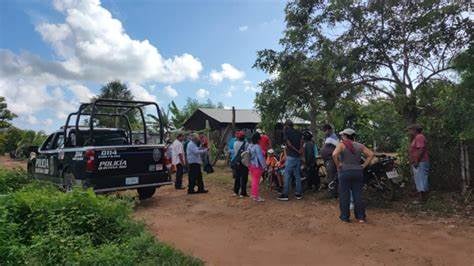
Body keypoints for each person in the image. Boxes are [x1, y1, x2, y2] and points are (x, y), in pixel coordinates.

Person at [332, 128, 374, 223]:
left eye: (342, 135)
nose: (342, 137)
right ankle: (361, 217)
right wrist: (363, 165)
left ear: (345, 136)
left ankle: (345, 217)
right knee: (358, 195)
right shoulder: (360, 146)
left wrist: (338, 165)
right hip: (358, 172)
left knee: (344, 195)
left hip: (345, 172)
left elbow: (334, 155)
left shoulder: (342, 145)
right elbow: (371, 154)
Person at [278, 120, 303, 201]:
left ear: (287, 126)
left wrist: (296, 150)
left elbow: (289, 144)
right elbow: (302, 141)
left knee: (287, 175)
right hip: (298, 157)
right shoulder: (298, 132)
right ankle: (298, 194)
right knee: (297, 175)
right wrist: (300, 150)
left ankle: (285, 194)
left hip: (291, 156)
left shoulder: (286, 132)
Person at [408, 124, 429, 203]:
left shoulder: (419, 137)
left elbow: (421, 149)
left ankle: (422, 199)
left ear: (415, 130)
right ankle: (421, 197)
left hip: (421, 162)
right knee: (419, 179)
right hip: (419, 161)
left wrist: (417, 161)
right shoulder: (416, 138)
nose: (409, 132)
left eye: (410, 130)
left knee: (421, 179)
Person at [321, 124, 339, 198]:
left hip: (331, 160)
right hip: (328, 159)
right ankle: (332, 192)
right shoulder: (328, 137)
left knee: (331, 176)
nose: (324, 132)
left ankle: (333, 194)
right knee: (330, 175)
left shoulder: (334, 137)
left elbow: (338, 148)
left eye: (325, 131)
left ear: (329, 130)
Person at [248, 132, 267, 202]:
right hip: (257, 166)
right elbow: (260, 158)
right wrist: (265, 166)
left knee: (254, 180)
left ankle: (253, 194)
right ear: (258, 139)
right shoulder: (257, 147)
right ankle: (256, 196)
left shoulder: (249, 146)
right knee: (256, 181)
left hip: (251, 165)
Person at [232, 131, 249, 197]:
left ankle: (236, 192)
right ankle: (243, 193)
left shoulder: (235, 143)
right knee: (244, 178)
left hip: (237, 161)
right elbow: (247, 153)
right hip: (244, 162)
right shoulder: (246, 144)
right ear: (244, 137)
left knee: (237, 177)